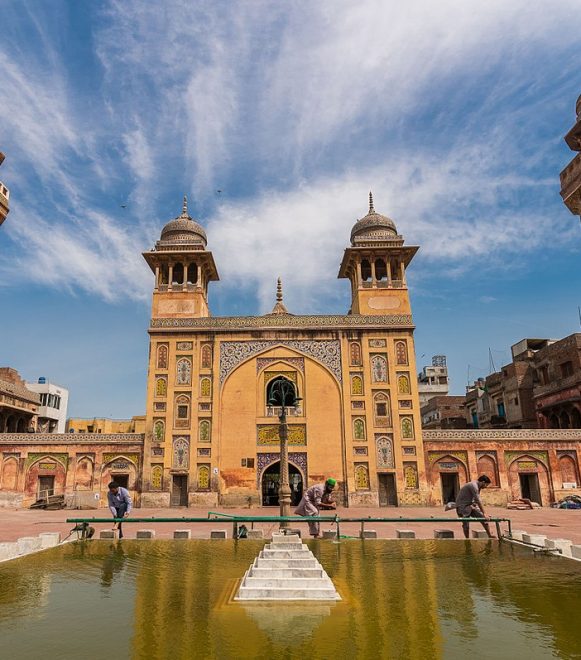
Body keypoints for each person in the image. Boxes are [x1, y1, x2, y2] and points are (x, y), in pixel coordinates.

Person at [455, 475, 494, 539]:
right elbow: (478, 500)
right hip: (462, 506)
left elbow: (475, 501)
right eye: (486, 485)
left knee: (484, 519)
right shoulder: (473, 486)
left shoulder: (479, 487)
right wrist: (485, 513)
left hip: (471, 505)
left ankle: (489, 535)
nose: (486, 487)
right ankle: (467, 539)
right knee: (466, 525)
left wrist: (482, 513)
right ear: (483, 482)